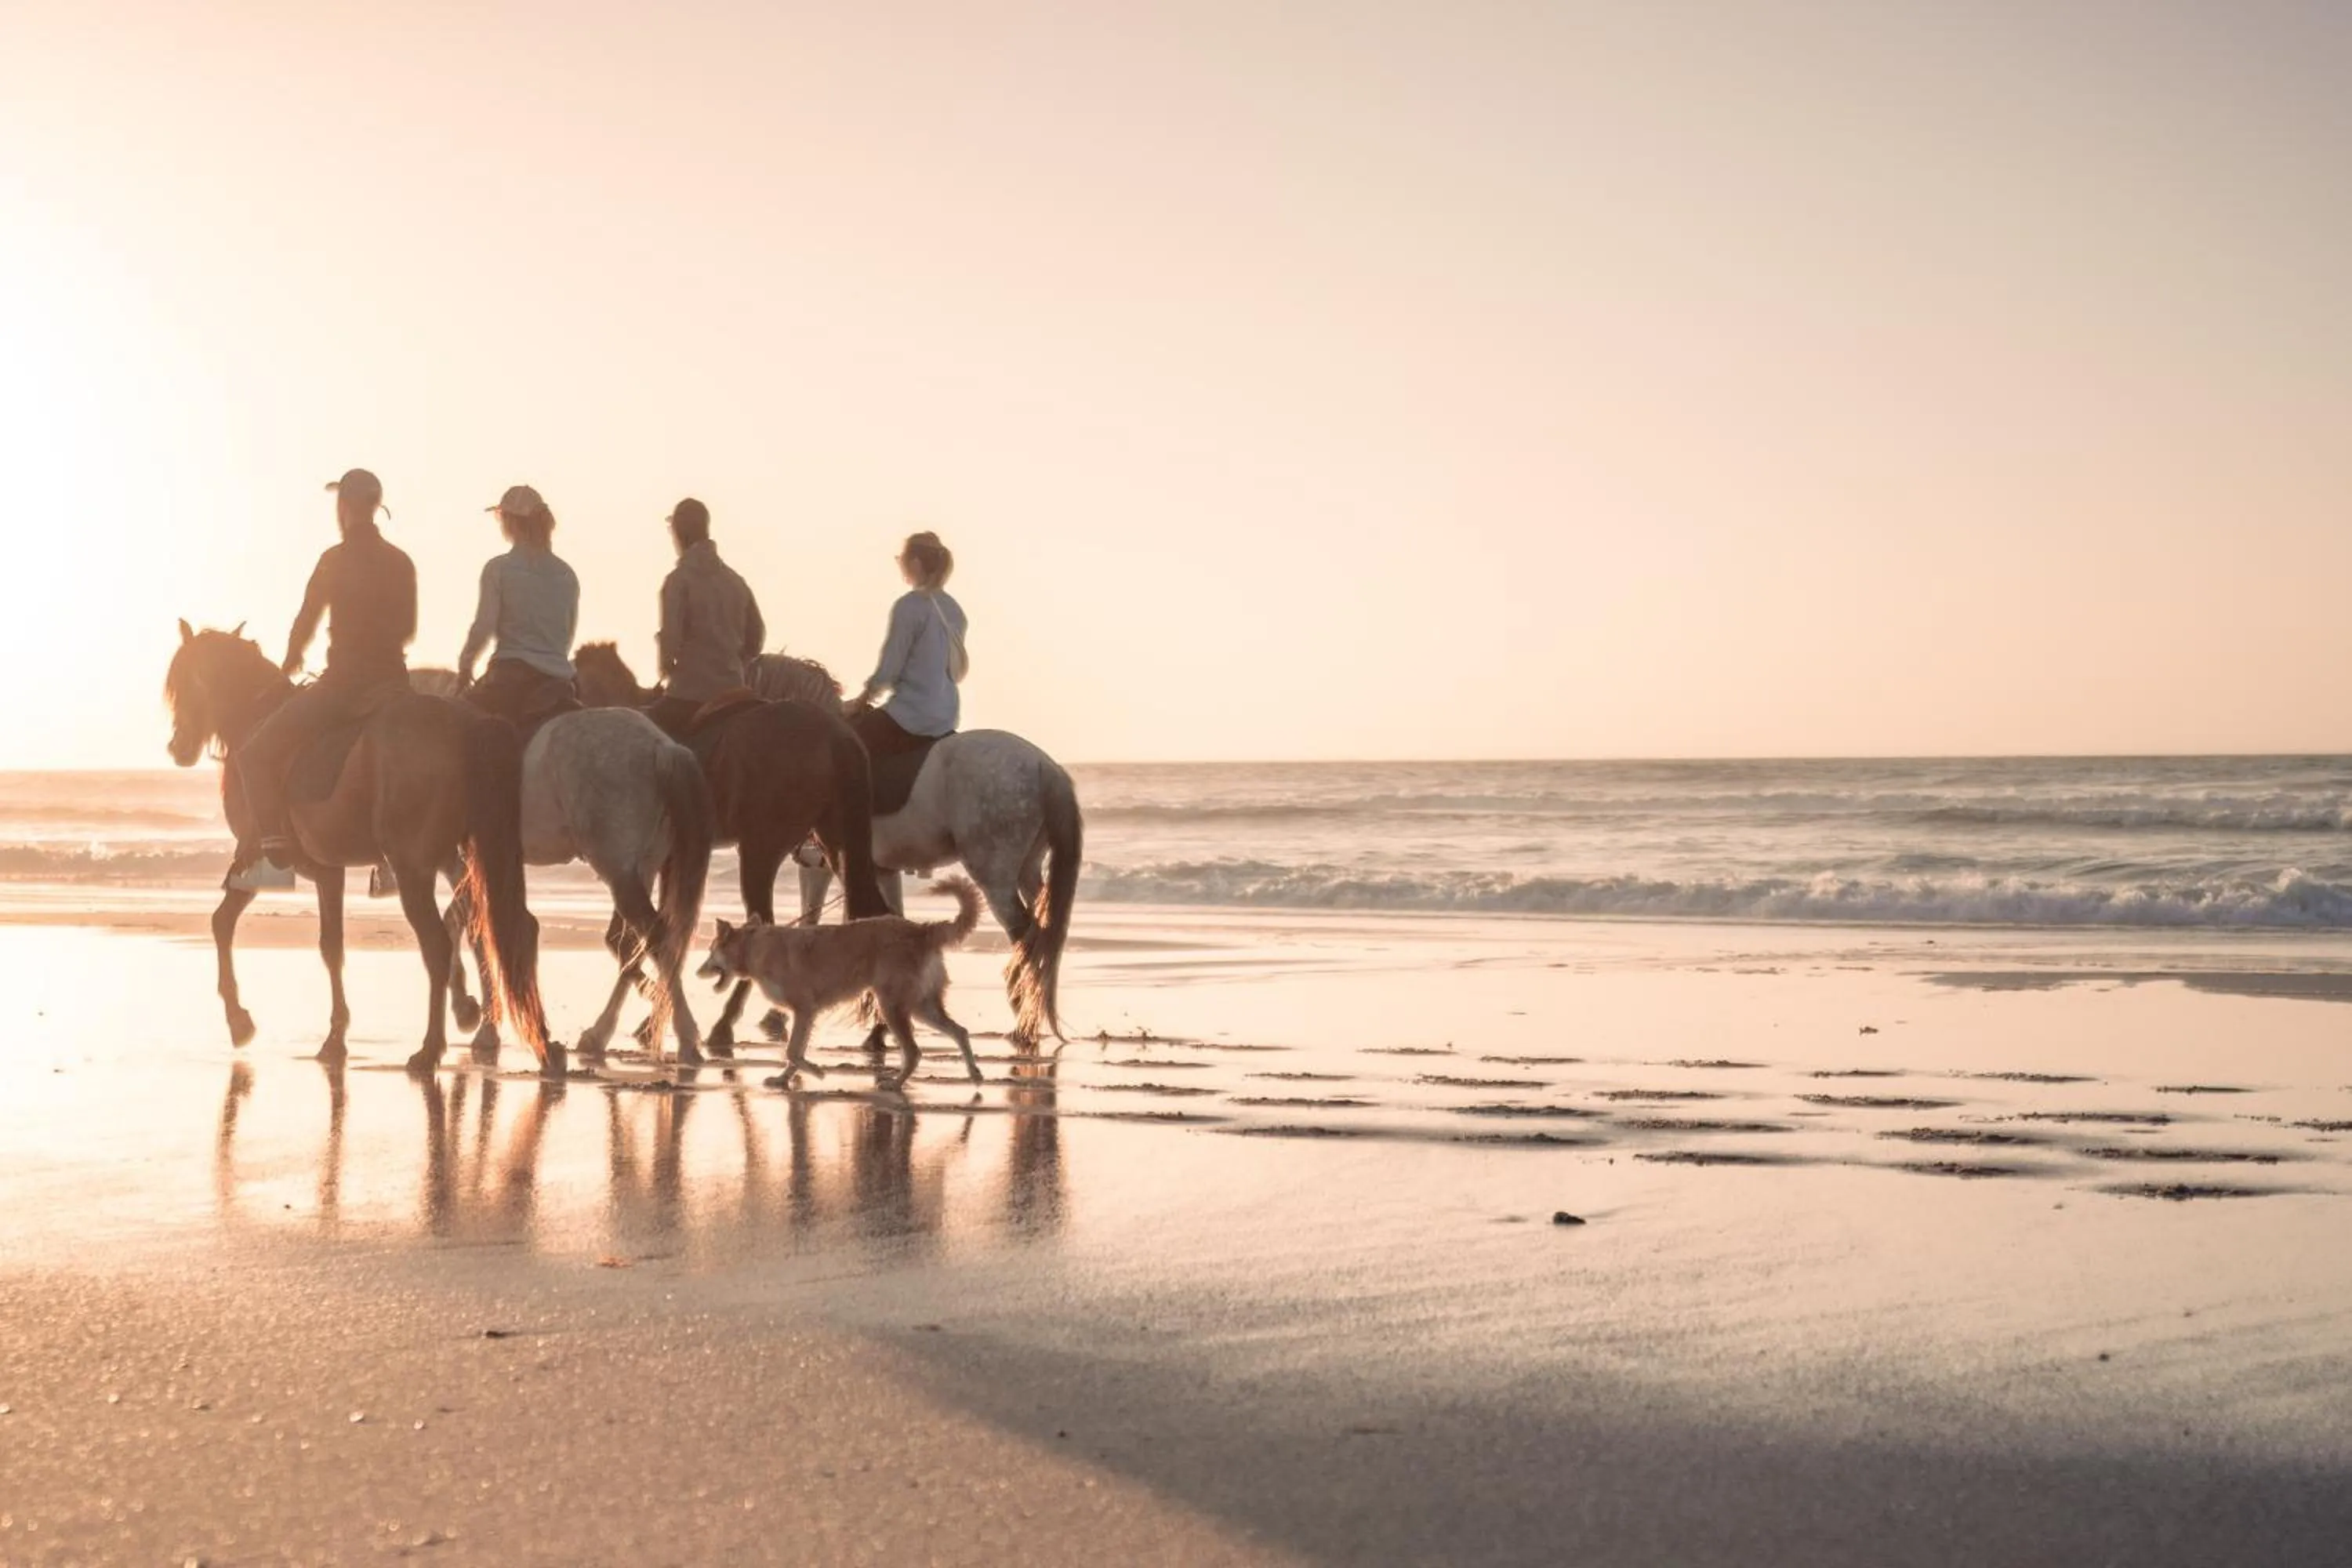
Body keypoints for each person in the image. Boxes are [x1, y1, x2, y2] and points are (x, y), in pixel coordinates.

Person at [236, 468, 418, 869]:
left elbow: (307, 619)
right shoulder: (401, 561)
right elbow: (407, 629)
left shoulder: (333, 560)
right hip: (394, 686)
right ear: (375, 505)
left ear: (345, 506)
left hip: (344, 688)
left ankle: (275, 844)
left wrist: (290, 661)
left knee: (253, 755)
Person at [457, 484, 580, 724]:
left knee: (462, 728)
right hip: (561, 681)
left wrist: (466, 663)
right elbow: (567, 633)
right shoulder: (567, 574)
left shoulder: (499, 569)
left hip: (511, 676)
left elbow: (484, 625)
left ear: (511, 522)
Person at [647, 497, 764, 739]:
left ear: (678, 532)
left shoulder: (678, 581)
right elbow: (757, 635)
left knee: (644, 738)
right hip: (735, 691)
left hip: (690, 694)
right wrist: (734, 663)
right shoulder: (736, 581)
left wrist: (667, 666)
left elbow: (670, 643)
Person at [847, 531, 967, 761]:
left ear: (915, 563)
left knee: (847, 748)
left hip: (911, 716)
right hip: (946, 717)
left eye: (901, 559)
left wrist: (862, 699)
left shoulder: (909, 606)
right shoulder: (955, 610)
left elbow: (889, 669)